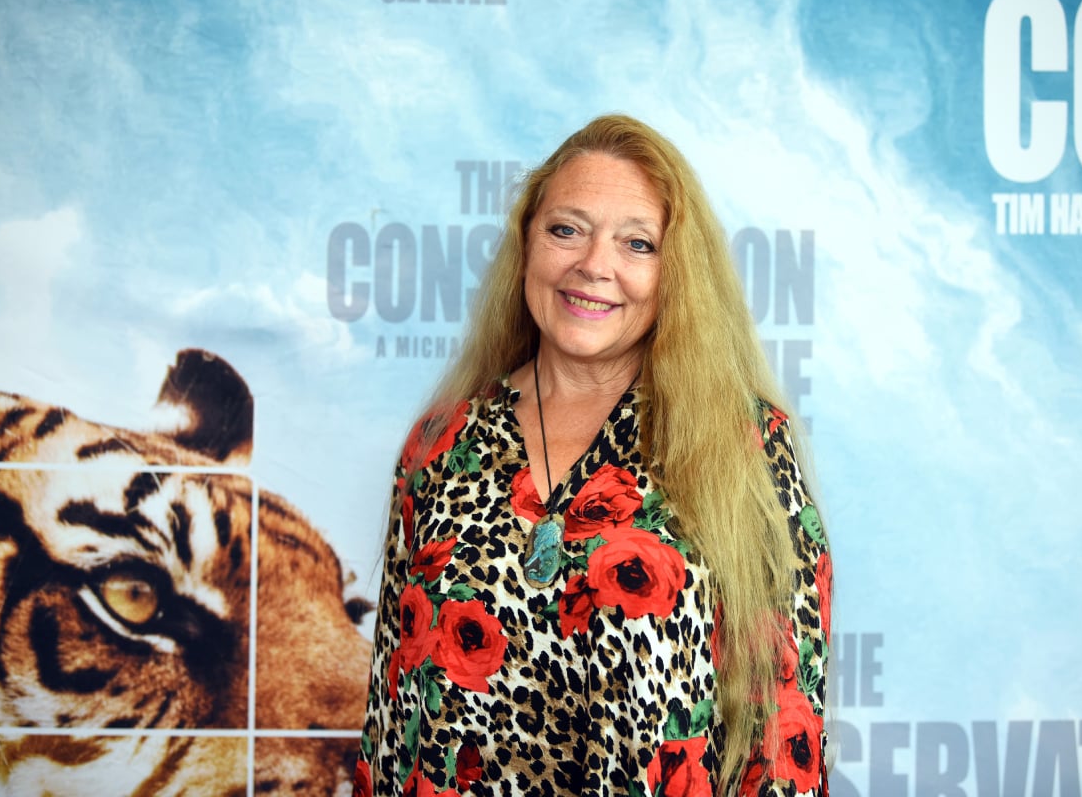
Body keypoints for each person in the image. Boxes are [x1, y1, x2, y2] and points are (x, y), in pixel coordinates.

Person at [355, 114, 831, 797]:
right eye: (566, 229)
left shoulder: (745, 447)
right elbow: (389, 715)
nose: (594, 265)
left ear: (676, 274)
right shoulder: (443, 443)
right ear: (527, 246)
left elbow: (787, 727)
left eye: (636, 243)